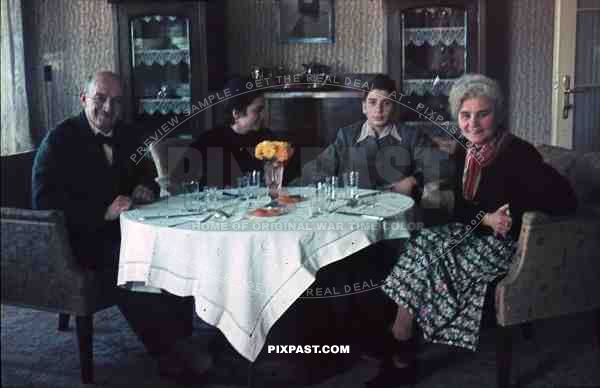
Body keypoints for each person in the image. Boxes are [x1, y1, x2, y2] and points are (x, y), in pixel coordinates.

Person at [367, 74, 578, 387]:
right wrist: (484, 218)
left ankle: (400, 347)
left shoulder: (519, 152)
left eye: (483, 114)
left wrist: (513, 212)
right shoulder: (465, 149)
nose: (473, 123)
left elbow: (566, 201)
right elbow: (459, 204)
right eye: (465, 115)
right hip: (475, 232)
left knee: (431, 255)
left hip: (506, 246)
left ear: (498, 114)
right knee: (422, 242)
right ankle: (402, 341)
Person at [32, 71, 212, 384]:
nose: (107, 108)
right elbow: (44, 202)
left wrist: (145, 189)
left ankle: (182, 338)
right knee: (129, 263)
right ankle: (168, 352)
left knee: (174, 248)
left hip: (127, 230)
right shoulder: (60, 140)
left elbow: (146, 177)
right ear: (83, 98)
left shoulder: (128, 135)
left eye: (115, 102)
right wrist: (102, 212)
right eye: (100, 99)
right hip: (77, 241)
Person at [298, 73, 454, 201]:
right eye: (372, 102)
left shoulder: (410, 136)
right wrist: (339, 187)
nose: (378, 110)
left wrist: (413, 180)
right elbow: (313, 171)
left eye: (386, 103)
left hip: (396, 211)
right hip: (355, 210)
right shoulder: (347, 136)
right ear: (364, 107)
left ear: (394, 107)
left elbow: (444, 166)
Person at [172, 77, 299, 189]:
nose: (264, 115)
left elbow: (289, 179)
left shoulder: (267, 137)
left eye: (263, 109)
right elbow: (178, 179)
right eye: (258, 110)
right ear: (236, 114)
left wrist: (282, 163)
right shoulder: (210, 140)